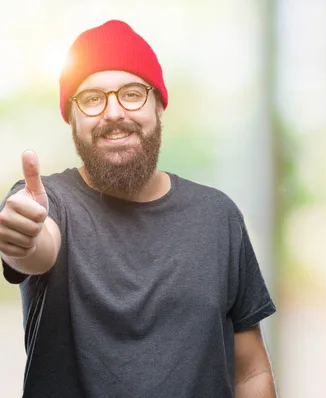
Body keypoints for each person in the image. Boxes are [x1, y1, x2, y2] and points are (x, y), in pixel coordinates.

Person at [0, 20, 277, 397]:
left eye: (132, 93)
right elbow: (38, 247)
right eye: (93, 98)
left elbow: (251, 372)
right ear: (73, 118)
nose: (114, 113)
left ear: (159, 104)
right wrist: (25, 241)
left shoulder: (218, 217)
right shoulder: (46, 203)